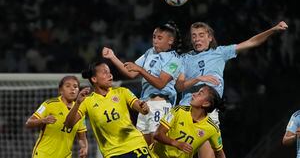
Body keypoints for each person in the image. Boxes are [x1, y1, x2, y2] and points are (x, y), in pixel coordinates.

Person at [176, 21, 288, 158]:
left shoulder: (221, 52)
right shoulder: (185, 59)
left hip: (208, 112)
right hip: (186, 111)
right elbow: (179, 86)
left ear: (210, 37)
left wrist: (273, 30)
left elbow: (251, 42)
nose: (197, 39)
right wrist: (198, 79)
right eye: (194, 36)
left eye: (201, 35)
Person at [102, 21, 184, 145]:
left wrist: (141, 70)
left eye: (159, 38)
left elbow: (161, 83)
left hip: (160, 105)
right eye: (154, 37)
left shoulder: (175, 59)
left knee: (157, 146)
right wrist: (112, 57)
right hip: (144, 106)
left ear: (170, 41)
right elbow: (131, 72)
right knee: (143, 147)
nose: (155, 40)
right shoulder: (149, 53)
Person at [64, 61, 152, 158]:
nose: (110, 75)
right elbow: (68, 124)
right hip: (112, 153)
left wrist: (144, 108)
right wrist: (77, 103)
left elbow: (142, 109)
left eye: (109, 72)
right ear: (94, 79)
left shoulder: (122, 92)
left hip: (136, 145)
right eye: (105, 72)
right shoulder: (87, 101)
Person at [150, 84, 226, 158]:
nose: (193, 94)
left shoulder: (212, 129)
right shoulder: (178, 111)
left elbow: (219, 152)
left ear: (206, 103)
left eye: (200, 94)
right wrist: (176, 144)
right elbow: (157, 134)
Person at [25, 76, 88, 158]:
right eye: (68, 86)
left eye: (75, 86)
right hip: (44, 155)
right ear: (61, 90)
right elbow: (28, 123)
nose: (72, 89)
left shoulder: (80, 111)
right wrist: (43, 120)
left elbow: (82, 137)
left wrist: (84, 147)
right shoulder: (49, 104)